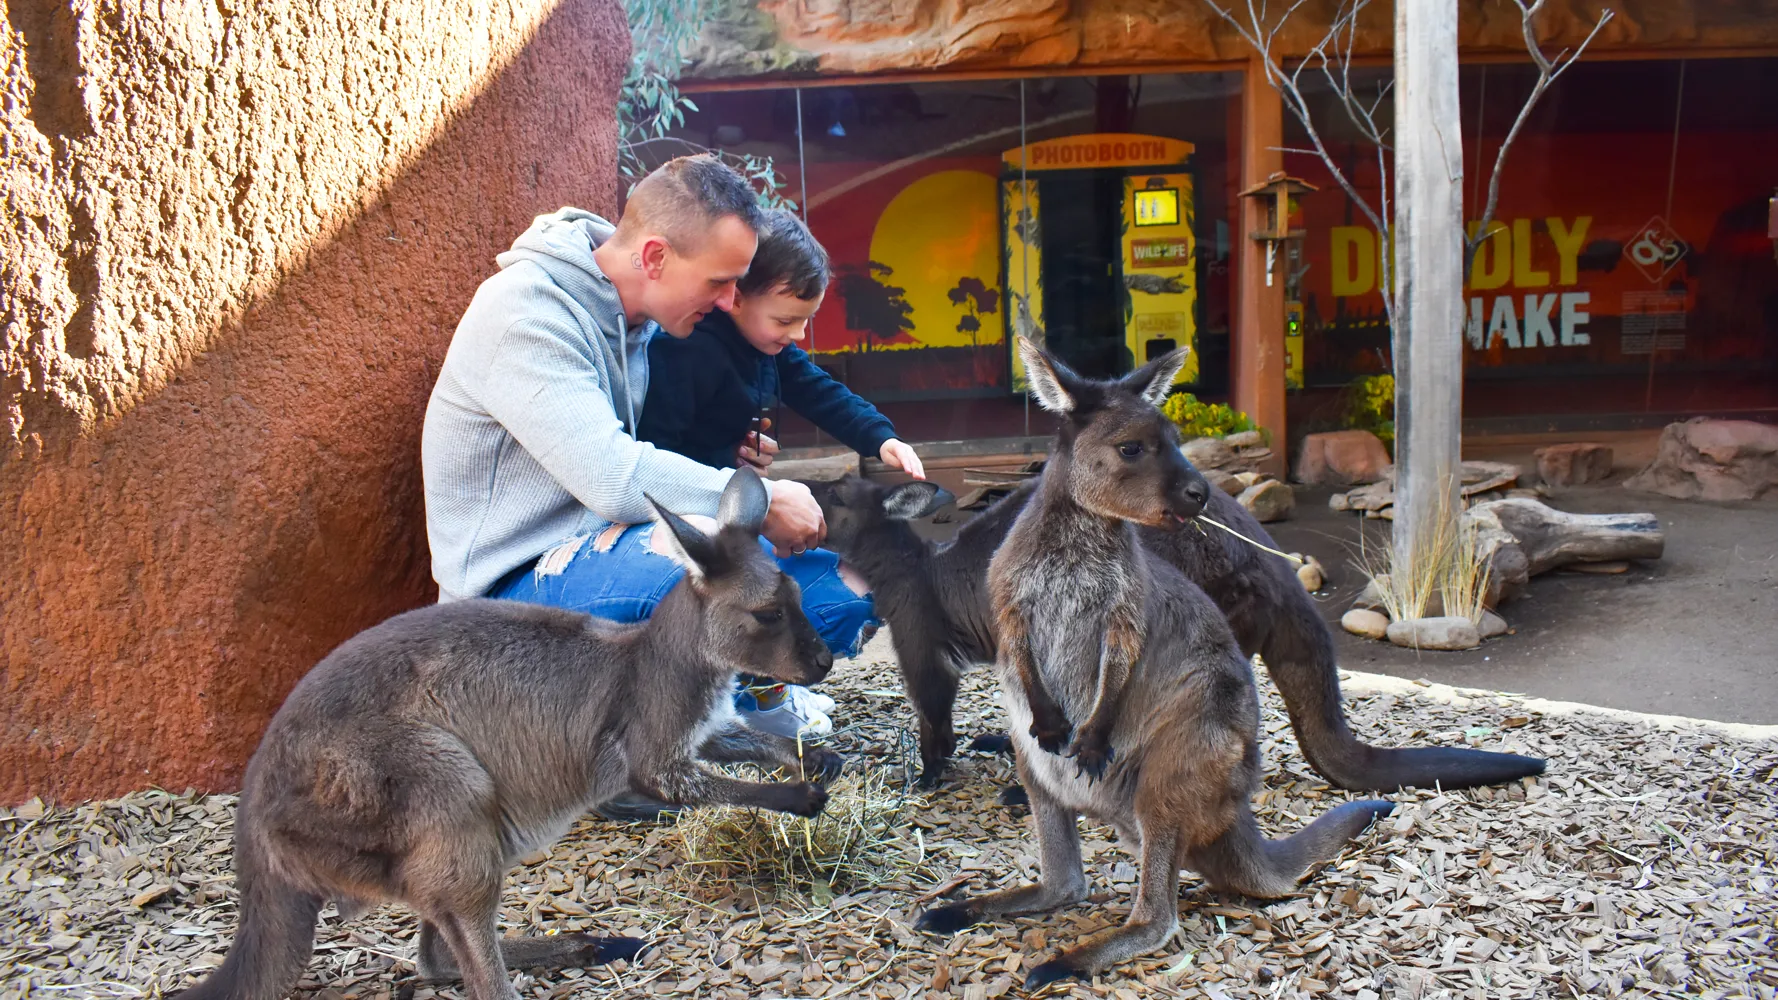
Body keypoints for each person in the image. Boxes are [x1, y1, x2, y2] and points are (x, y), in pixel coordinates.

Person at [420, 155, 868, 817]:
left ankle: (695, 728)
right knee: (712, 589)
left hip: (603, 554)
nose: (729, 302)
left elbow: (650, 462)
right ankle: (614, 764)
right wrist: (760, 497)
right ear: (655, 256)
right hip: (503, 605)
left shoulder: (640, 319)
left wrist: (732, 465)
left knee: (836, 593)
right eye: (720, 283)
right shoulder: (526, 315)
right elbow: (611, 475)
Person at [637, 207, 925, 483]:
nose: (798, 334)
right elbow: (656, 452)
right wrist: (725, 469)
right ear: (735, 299)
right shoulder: (687, 353)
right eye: (785, 321)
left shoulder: (767, 347)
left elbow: (819, 392)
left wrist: (880, 437)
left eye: (806, 319)